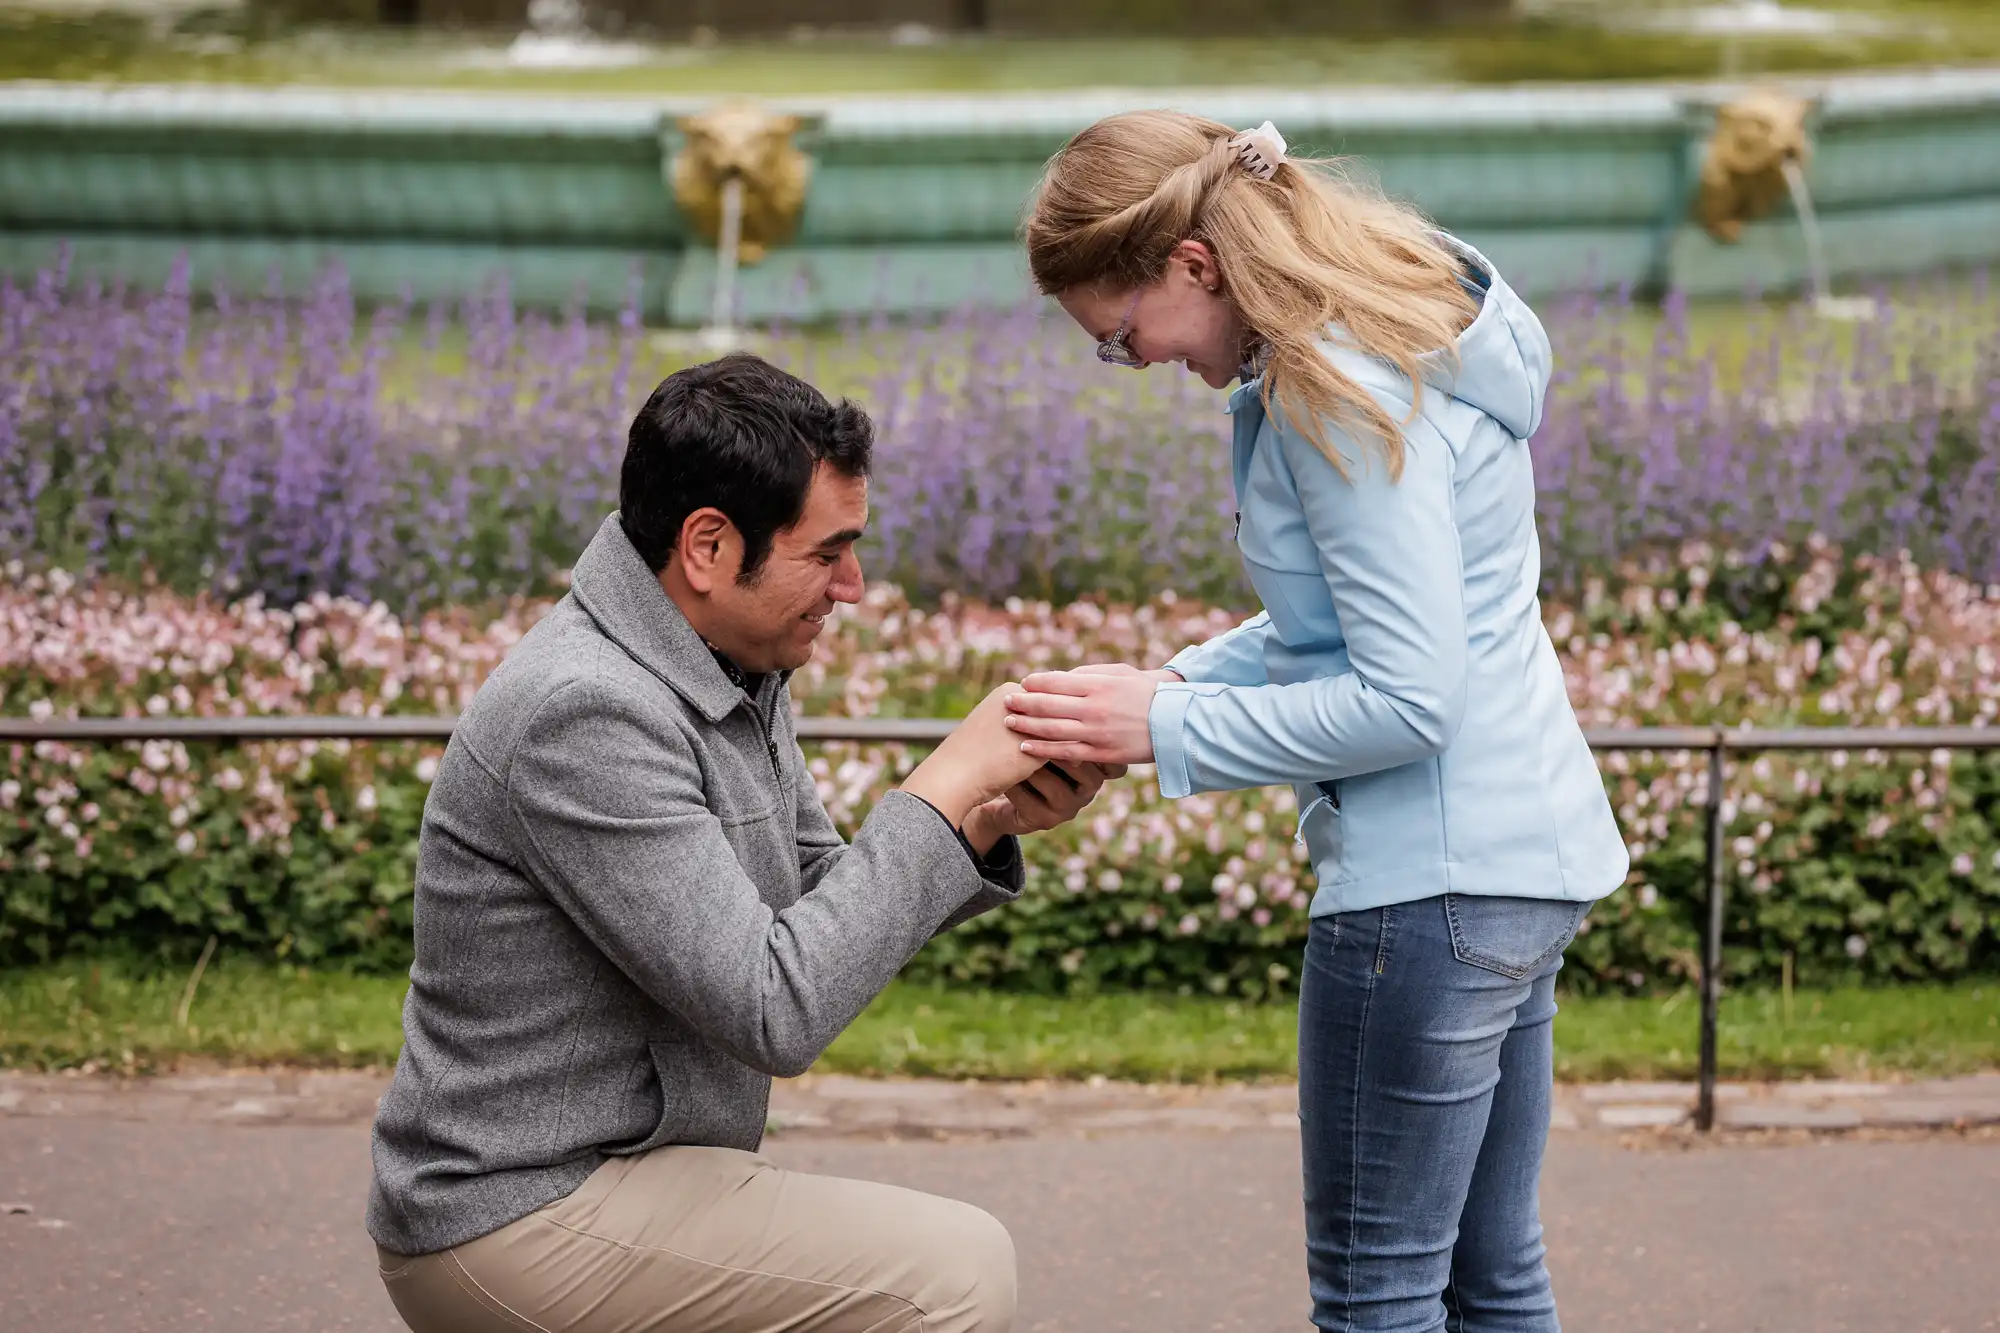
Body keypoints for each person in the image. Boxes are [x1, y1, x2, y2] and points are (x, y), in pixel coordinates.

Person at [1005, 112, 1629, 1332]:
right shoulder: (1408, 331)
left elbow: (1405, 696)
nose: (1131, 365)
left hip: (1423, 900)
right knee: (1490, 1278)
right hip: (1521, 867)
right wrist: (1166, 689)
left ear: (1191, 264)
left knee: (1375, 1297)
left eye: (1120, 337)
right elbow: (1376, 632)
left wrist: (1164, 731)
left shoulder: (1323, 389)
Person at [367, 353, 1120, 1333]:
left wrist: (979, 820)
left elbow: (814, 896)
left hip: (631, 1170)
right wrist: (938, 786)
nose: (851, 585)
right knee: (953, 1273)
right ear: (709, 548)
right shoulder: (584, 712)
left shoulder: (728, 664)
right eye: (826, 553)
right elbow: (775, 1008)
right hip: (516, 1212)